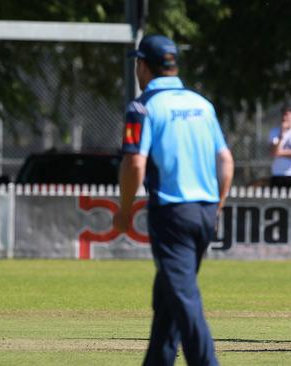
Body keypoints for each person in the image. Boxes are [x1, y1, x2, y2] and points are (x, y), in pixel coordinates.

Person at [112, 34, 234, 365]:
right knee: (167, 296)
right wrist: (217, 206)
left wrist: (124, 211)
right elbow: (225, 161)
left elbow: (134, 162)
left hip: (172, 212)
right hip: (206, 210)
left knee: (183, 297)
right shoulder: (201, 104)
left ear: (142, 65)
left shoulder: (143, 107)